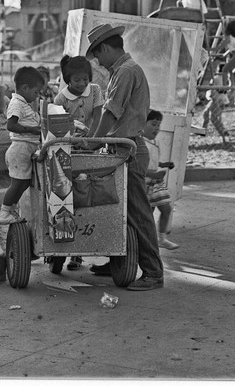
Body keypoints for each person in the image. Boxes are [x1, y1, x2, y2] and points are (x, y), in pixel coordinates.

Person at [86, 23, 164, 291]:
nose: (97, 61)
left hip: (128, 149)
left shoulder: (125, 71)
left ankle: (154, 272)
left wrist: (92, 143)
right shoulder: (123, 70)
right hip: (122, 148)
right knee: (117, 211)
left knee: (138, 214)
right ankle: (116, 259)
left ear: (106, 48)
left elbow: (110, 113)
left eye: (97, 55)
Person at [54, 55, 105, 271]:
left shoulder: (95, 91)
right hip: (69, 152)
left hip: (92, 150)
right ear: (67, 80)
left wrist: (92, 140)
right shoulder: (60, 100)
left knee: (87, 197)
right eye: (77, 80)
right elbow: (58, 127)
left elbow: (100, 116)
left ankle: (78, 254)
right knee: (66, 199)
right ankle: (63, 249)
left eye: (85, 79)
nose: (82, 84)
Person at [0, 66, 45, 225]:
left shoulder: (24, 104)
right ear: (25, 88)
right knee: (17, 183)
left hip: (25, 150)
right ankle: (3, 213)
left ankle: (11, 210)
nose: (37, 95)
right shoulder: (17, 103)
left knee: (23, 182)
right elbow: (11, 125)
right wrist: (31, 130)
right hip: (19, 150)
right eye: (36, 92)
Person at [143, 110, 179, 251]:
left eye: (159, 125)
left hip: (156, 182)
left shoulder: (155, 142)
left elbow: (153, 161)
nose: (157, 128)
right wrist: (154, 175)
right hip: (146, 182)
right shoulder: (141, 144)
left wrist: (163, 164)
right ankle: (148, 239)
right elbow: (140, 168)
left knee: (166, 208)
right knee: (148, 213)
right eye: (153, 124)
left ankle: (162, 238)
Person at [211, 20, 235, 88]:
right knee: (230, 69)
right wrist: (224, 55)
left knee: (224, 69)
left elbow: (220, 46)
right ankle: (232, 85)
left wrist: (210, 50)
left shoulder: (228, 37)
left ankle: (225, 87)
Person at [201, 64, 230, 142]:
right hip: (222, 99)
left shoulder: (216, 78)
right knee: (206, 114)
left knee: (214, 118)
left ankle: (223, 133)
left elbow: (211, 88)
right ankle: (203, 131)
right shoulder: (226, 78)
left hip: (216, 99)